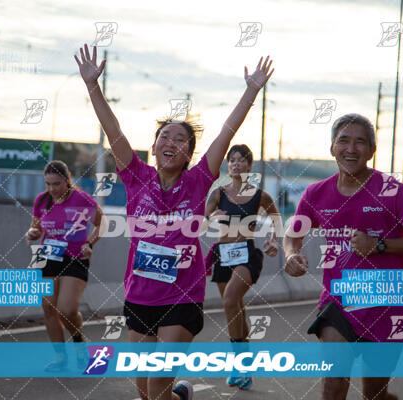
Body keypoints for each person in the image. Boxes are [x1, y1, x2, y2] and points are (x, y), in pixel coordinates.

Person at [75, 43, 273, 400]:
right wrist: (92, 86)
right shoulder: (136, 176)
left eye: (180, 139)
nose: (170, 141)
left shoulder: (198, 181)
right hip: (139, 295)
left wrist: (251, 91)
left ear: (188, 154)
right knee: (147, 393)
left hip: (181, 296)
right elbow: (112, 128)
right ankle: (181, 396)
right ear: (153, 148)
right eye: (164, 136)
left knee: (156, 382)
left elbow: (226, 133)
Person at [283, 113, 403, 400]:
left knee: (374, 393)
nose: (351, 149)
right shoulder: (316, 193)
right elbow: (293, 233)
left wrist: (379, 245)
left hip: (387, 304)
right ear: (332, 147)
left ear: (371, 151)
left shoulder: (393, 192)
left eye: (360, 142)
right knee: (334, 382)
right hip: (338, 300)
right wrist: (291, 254)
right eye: (343, 140)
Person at [204, 144, 281, 390]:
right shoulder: (218, 193)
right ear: (228, 165)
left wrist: (272, 239)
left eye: (241, 160)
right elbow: (201, 217)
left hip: (247, 254)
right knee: (236, 307)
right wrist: (210, 218)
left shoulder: (260, 195)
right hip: (223, 254)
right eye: (232, 160)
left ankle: (238, 364)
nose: (236, 164)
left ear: (249, 165)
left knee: (229, 300)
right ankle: (245, 367)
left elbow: (276, 219)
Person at [25, 160, 105, 371]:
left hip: (75, 256)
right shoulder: (42, 200)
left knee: (66, 309)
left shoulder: (82, 199)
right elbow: (36, 228)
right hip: (48, 255)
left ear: (67, 180)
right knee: (49, 309)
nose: (52, 189)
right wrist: (32, 234)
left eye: (57, 184)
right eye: (48, 184)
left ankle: (79, 343)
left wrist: (90, 244)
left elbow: (102, 223)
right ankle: (61, 359)